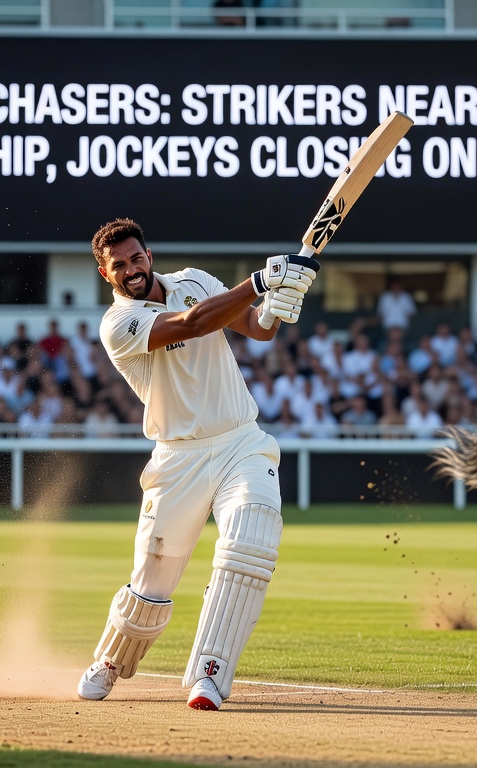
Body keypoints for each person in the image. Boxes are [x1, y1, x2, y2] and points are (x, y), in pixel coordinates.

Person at [75, 218, 315, 711]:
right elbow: (193, 324)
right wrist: (259, 283)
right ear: (106, 273)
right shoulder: (118, 324)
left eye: (136, 258)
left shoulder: (197, 282)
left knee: (252, 533)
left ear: (149, 254)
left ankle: (210, 672)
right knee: (151, 582)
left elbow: (255, 329)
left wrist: (275, 305)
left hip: (240, 441)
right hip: (177, 458)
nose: (131, 269)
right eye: (118, 265)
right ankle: (111, 660)